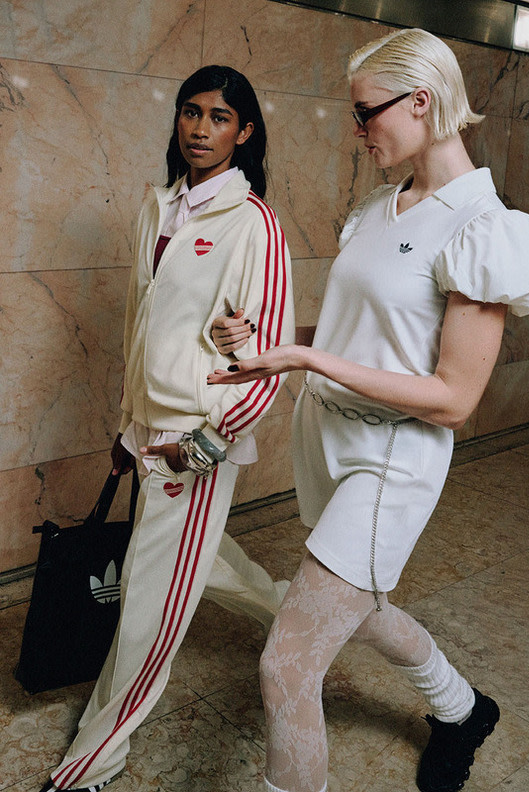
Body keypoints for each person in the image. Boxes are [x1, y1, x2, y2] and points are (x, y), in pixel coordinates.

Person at [208, 29, 529, 792]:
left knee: (286, 665)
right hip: (328, 436)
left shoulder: (484, 229)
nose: (356, 129)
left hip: (391, 459)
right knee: (360, 606)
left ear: (421, 101)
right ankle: (463, 710)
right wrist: (272, 339)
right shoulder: (378, 206)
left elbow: (453, 398)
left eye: (366, 113)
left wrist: (304, 359)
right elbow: (351, 336)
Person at [40, 65, 294, 792]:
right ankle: (301, 614)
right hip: (150, 432)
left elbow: (267, 362)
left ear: (245, 133)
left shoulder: (254, 225)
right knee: (194, 565)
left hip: (195, 446)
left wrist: (200, 447)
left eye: (219, 118)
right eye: (190, 113)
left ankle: (94, 761)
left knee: (150, 604)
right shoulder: (161, 207)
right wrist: (128, 430)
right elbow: (139, 328)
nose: (199, 129)